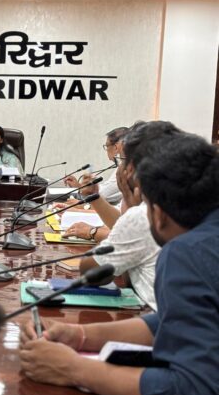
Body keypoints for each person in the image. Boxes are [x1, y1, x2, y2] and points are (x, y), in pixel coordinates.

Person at [19, 126, 219, 395]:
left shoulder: (186, 252)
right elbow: (176, 321)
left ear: (157, 212)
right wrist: (81, 335)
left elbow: (192, 394)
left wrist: (73, 369)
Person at [66, 122, 173, 309]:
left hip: (153, 314)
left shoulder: (145, 213)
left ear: (133, 168)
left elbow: (90, 272)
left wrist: (94, 232)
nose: (119, 167)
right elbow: (127, 231)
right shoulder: (171, 200)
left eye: (122, 159)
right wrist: (95, 198)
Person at [64, 126, 128, 205]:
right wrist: (79, 187)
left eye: (107, 146)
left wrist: (81, 200)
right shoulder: (122, 165)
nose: (106, 150)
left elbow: (102, 194)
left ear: (116, 147)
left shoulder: (125, 168)